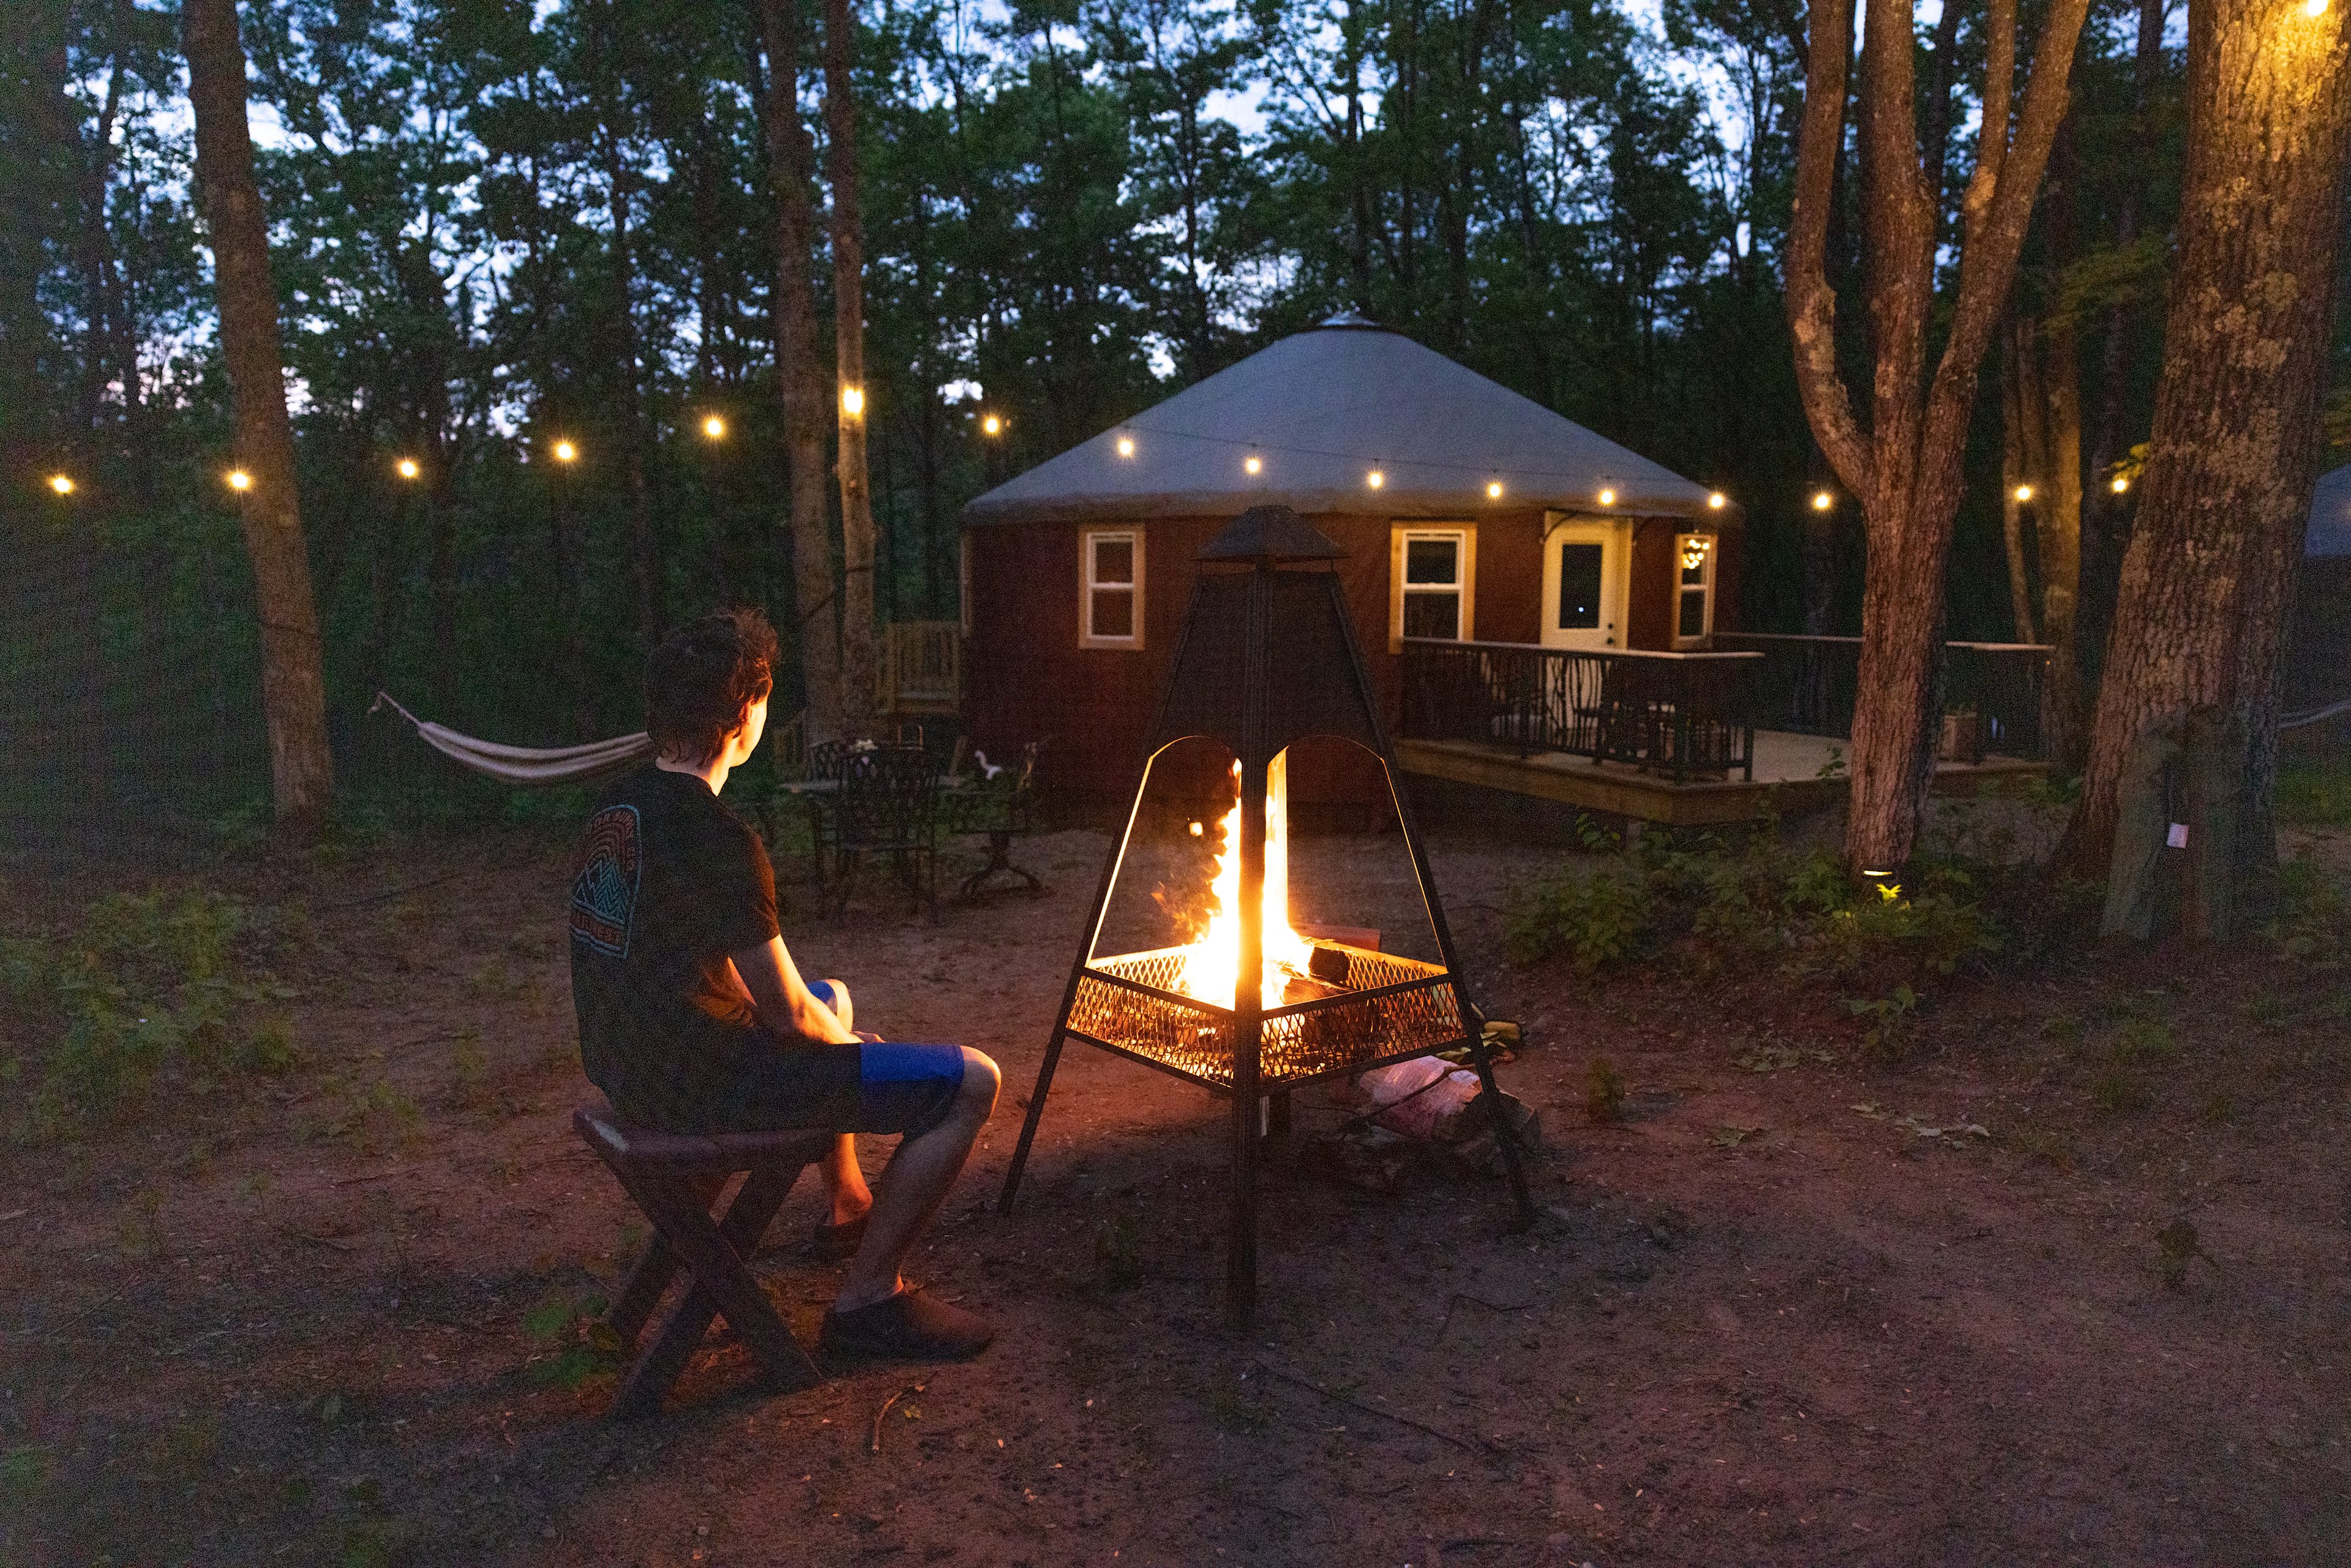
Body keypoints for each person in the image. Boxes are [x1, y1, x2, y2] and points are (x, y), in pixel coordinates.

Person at [568, 608, 999, 1361]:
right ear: (744, 718)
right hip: (697, 1087)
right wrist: (845, 1051)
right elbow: (792, 1018)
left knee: (834, 997)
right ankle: (870, 1299)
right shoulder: (719, 838)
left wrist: (831, 1034)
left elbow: (687, 956)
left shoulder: (617, 807)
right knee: (969, 1081)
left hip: (627, 1061)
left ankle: (847, 1203)